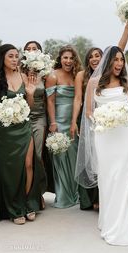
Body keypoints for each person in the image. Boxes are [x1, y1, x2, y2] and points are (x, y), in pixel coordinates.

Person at [76, 46, 128, 245]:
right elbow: (88, 112)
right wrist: (104, 118)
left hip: (125, 134)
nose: (120, 64)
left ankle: (121, 228)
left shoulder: (127, 82)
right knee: (107, 178)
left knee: (121, 178)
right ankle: (107, 220)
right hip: (104, 136)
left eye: (122, 60)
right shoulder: (94, 82)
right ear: (108, 61)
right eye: (116, 60)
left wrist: (122, 117)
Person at [71, 23, 128, 210]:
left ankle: (104, 201)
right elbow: (79, 100)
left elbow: (119, 48)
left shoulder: (117, 75)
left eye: (99, 55)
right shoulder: (86, 77)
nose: (95, 59)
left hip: (116, 121)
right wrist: (75, 121)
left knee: (110, 163)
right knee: (94, 161)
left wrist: (127, 27)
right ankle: (91, 200)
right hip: (95, 120)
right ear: (88, 60)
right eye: (92, 56)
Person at [0, 44, 36, 224]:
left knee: (28, 165)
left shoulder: (23, 76)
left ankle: (26, 202)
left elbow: (31, 106)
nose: (15, 59)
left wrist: (30, 94)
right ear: (2, 58)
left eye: (16, 56)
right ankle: (14, 208)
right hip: (4, 131)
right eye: (10, 56)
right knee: (10, 170)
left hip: (24, 127)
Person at [45, 45, 83, 208]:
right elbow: (50, 101)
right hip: (59, 121)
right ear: (60, 59)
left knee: (73, 159)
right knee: (60, 159)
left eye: (71, 58)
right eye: (65, 58)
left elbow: (78, 99)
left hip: (73, 121)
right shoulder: (53, 76)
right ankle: (63, 196)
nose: (68, 61)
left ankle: (75, 194)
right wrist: (53, 122)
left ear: (75, 60)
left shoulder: (77, 75)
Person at [21, 41, 48, 212]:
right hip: (22, 118)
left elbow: (50, 99)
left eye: (34, 49)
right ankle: (21, 194)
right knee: (24, 159)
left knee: (37, 156)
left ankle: (37, 195)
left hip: (39, 118)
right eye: (28, 49)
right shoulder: (19, 72)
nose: (31, 51)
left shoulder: (45, 74)